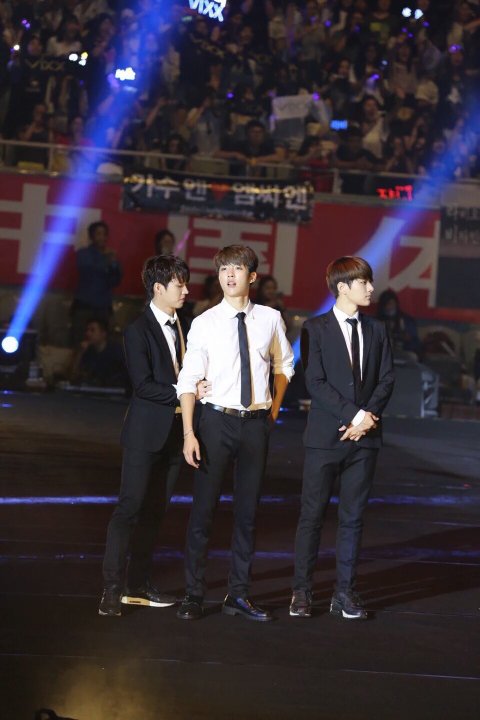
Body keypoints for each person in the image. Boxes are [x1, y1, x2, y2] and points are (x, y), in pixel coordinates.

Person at [176, 245, 294, 622]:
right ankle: (194, 593)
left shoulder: (270, 318)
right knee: (203, 510)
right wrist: (189, 432)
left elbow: (284, 366)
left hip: (256, 424)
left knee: (248, 512)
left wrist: (273, 410)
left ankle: (238, 594)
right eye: (224, 268)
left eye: (237, 268)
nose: (229, 274)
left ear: (251, 276)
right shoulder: (205, 322)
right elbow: (188, 379)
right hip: (215, 421)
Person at [98, 254, 210, 617]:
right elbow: (143, 386)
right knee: (129, 509)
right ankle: (112, 589)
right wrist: (186, 390)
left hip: (178, 433)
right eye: (180, 284)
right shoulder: (137, 329)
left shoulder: (185, 325)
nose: (186, 291)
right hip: (145, 433)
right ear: (158, 288)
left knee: (155, 512)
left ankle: (138, 585)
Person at [290, 256, 395, 621]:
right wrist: (354, 415)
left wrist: (366, 419)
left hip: (365, 439)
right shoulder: (315, 329)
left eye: (369, 281)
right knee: (312, 516)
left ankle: (345, 593)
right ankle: (302, 591)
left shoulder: (377, 329)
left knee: (353, 518)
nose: (371, 288)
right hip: (325, 437)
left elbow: (387, 379)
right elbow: (315, 382)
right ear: (343, 288)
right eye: (364, 282)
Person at [70, 221, 122, 347]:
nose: (102, 237)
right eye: (98, 234)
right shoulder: (83, 253)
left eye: (104, 234)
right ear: (91, 236)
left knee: (104, 346)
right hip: (84, 307)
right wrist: (105, 260)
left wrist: (114, 264)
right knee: (80, 343)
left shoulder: (110, 256)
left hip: (103, 307)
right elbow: (87, 269)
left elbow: (116, 280)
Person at [70, 318, 127, 388]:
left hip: (114, 389)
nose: (88, 333)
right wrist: (80, 353)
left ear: (103, 334)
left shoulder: (116, 350)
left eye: (92, 330)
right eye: (87, 330)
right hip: (92, 389)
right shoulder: (88, 351)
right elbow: (74, 376)